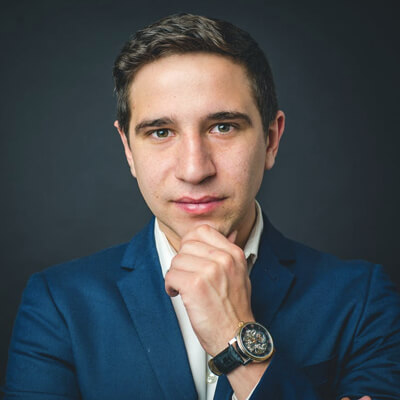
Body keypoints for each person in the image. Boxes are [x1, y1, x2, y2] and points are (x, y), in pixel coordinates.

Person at [3, 13, 400, 400]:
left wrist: (235, 335)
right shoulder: (58, 303)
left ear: (271, 140)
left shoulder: (360, 299)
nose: (194, 170)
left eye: (223, 127)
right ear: (128, 149)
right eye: (161, 132)